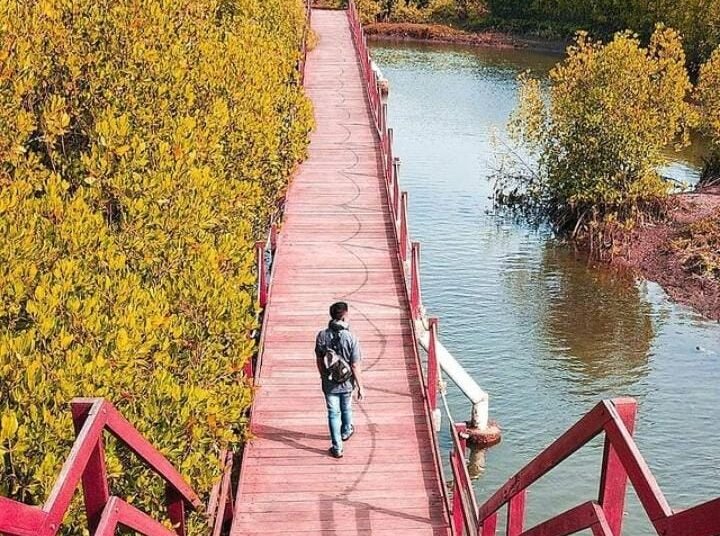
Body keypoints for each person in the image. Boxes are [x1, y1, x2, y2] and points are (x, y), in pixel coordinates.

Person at [315, 301, 364, 458]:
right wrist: (361, 386)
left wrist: (323, 376)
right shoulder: (351, 338)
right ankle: (347, 430)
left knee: (333, 413)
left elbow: (319, 359)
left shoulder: (322, 336)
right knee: (347, 407)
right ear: (344, 316)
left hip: (329, 382)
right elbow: (355, 365)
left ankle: (337, 447)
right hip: (347, 382)